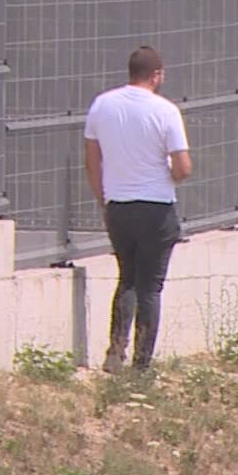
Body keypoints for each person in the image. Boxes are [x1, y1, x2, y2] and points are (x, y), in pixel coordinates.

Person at [83, 45, 193, 374]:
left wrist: (103, 197)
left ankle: (115, 350)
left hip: (118, 206)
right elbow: (183, 167)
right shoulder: (165, 111)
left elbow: (92, 159)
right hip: (157, 208)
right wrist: (169, 175)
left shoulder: (102, 105)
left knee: (127, 279)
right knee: (150, 288)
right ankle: (141, 366)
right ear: (156, 75)